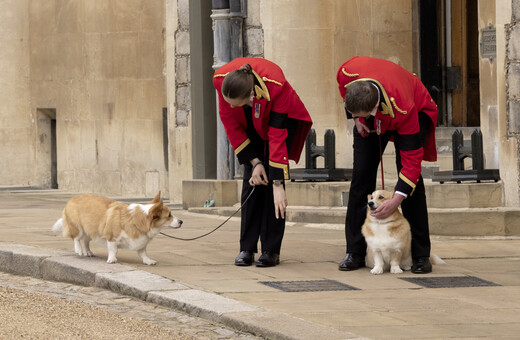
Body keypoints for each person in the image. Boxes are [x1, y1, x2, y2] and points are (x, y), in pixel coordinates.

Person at [336, 56, 438, 274]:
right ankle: (354, 251)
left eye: (361, 115)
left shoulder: (404, 108)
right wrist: (357, 120)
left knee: (412, 185)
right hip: (374, 108)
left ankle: (420, 255)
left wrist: (396, 200)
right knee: (361, 177)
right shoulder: (347, 72)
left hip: (414, 109)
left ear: (373, 106)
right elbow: (343, 89)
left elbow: (411, 163)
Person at [213, 57, 312, 267]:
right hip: (248, 124)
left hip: (276, 119)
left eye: (234, 103)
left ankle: (271, 250)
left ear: (249, 94)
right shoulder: (222, 81)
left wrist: (278, 185)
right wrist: (255, 162)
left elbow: (277, 136)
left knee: (274, 190)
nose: (229, 105)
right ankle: (246, 248)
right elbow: (230, 124)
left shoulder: (277, 87)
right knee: (252, 181)